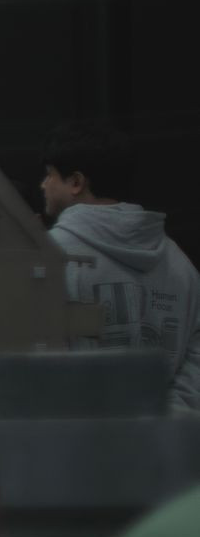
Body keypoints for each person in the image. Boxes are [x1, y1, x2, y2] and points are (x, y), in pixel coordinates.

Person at [41, 136, 200, 413]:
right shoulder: (179, 261)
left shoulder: (45, 258)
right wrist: (170, 416)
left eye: (49, 175)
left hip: (77, 436)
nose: (43, 185)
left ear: (76, 182)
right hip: (168, 436)